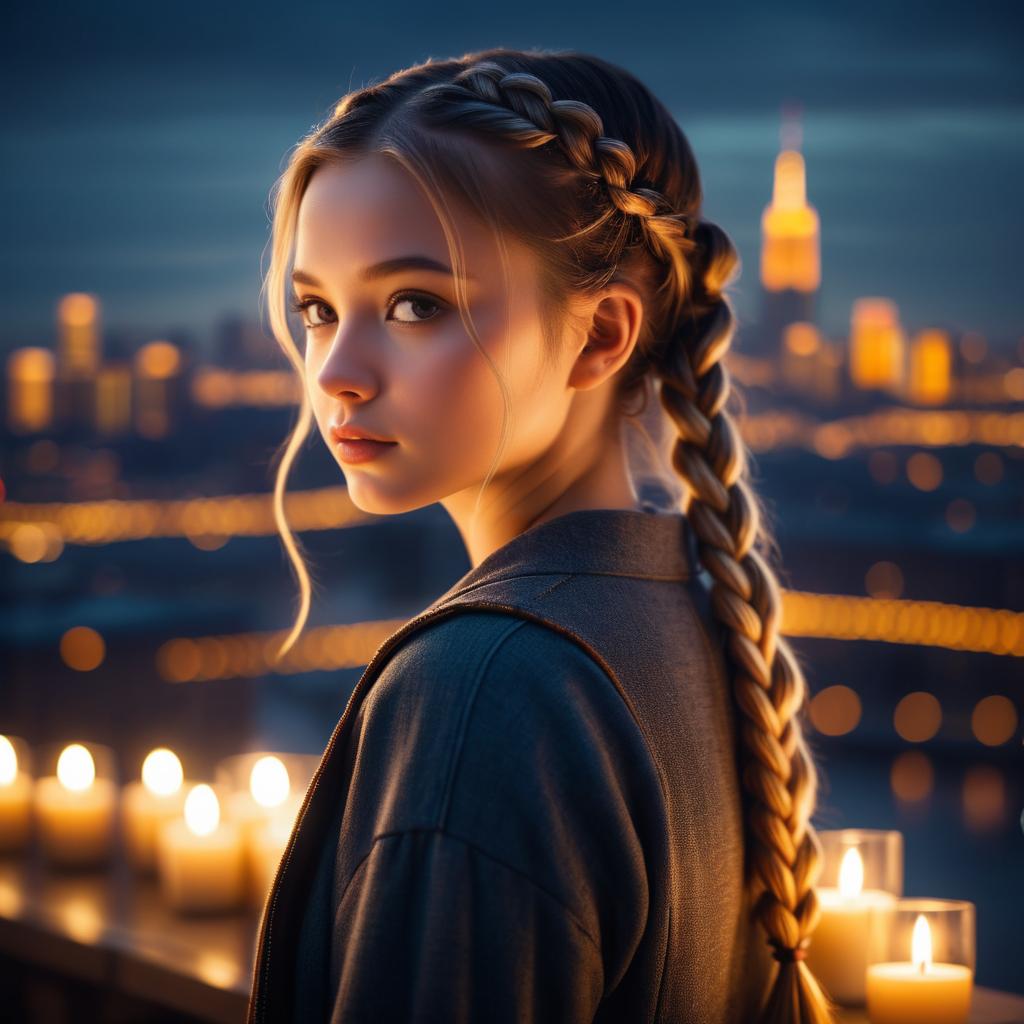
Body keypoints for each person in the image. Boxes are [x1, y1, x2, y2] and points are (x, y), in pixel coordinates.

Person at [247, 47, 837, 1024]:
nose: (336, 371)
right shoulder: (681, 613)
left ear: (601, 335)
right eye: (316, 309)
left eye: (413, 304)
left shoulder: (482, 690)